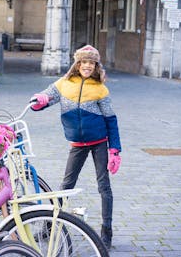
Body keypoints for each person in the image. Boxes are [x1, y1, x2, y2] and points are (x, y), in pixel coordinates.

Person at [29, 45, 122, 250]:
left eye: (91, 62)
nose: (87, 66)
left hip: (99, 142)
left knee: (104, 187)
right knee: (65, 186)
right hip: (78, 144)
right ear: (77, 64)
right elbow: (47, 97)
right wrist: (40, 100)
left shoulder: (100, 89)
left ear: (96, 65)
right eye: (84, 62)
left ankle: (106, 233)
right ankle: (49, 227)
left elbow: (111, 119)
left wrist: (114, 149)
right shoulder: (64, 83)